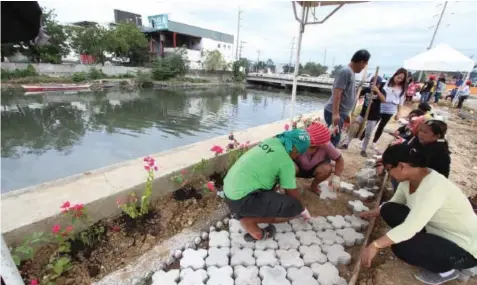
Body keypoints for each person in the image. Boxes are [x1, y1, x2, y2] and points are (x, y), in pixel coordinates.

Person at [360, 143, 477, 285]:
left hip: (464, 246)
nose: (389, 174)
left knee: (402, 247)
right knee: (388, 209)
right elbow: (396, 201)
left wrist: (375, 245)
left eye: (388, 169)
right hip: (436, 229)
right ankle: (426, 244)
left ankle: (447, 270)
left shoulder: (433, 188)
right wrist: (374, 211)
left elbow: (411, 227)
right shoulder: (409, 179)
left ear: (402, 166)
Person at [223, 129, 311, 241]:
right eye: (299, 153)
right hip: (241, 200)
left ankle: (247, 212)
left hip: (229, 191)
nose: (298, 156)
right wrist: (302, 209)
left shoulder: (271, 141)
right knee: (294, 206)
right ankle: (249, 222)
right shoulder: (286, 162)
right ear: (294, 149)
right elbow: (291, 192)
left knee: (276, 179)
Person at [324, 49, 371, 146]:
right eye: (364, 65)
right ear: (361, 62)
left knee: (333, 138)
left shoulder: (350, 72)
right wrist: (336, 114)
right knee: (333, 140)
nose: (363, 68)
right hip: (335, 112)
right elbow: (337, 92)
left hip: (342, 112)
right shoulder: (346, 71)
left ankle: (329, 159)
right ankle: (328, 159)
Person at [341, 76, 386, 157]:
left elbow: (384, 100)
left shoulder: (382, 91)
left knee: (368, 133)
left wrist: (377, 91)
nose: (373, 85)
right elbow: (357, 94)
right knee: (353, 128)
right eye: (371, 83)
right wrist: (359, 87)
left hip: (373, 116)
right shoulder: (367, 90)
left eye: (376, 84)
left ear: (379, 85)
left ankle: (363, 150)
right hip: (363, 113)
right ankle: (346, 144)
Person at [295, 122, 344, 193]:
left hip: (314, 170)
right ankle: (290, 184)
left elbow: (339, 159)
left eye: (313, 146)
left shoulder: (326, 145)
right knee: (289, 165)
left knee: (327, 169)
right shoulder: (299, 142)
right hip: (298, 168)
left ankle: (314, 186)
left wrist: (336, 177)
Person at [370, 68, 407, 152]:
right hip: (379, 107)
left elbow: (401, 102)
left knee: (381, 127)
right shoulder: (386, 83)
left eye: (401, 79)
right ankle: (362, 139)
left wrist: (399, 113)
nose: (399, 80)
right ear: (395, 75)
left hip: (390, 110)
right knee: (372, 124)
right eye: (398, 77)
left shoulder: (402, 89)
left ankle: (374, 142)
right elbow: (376, 92)